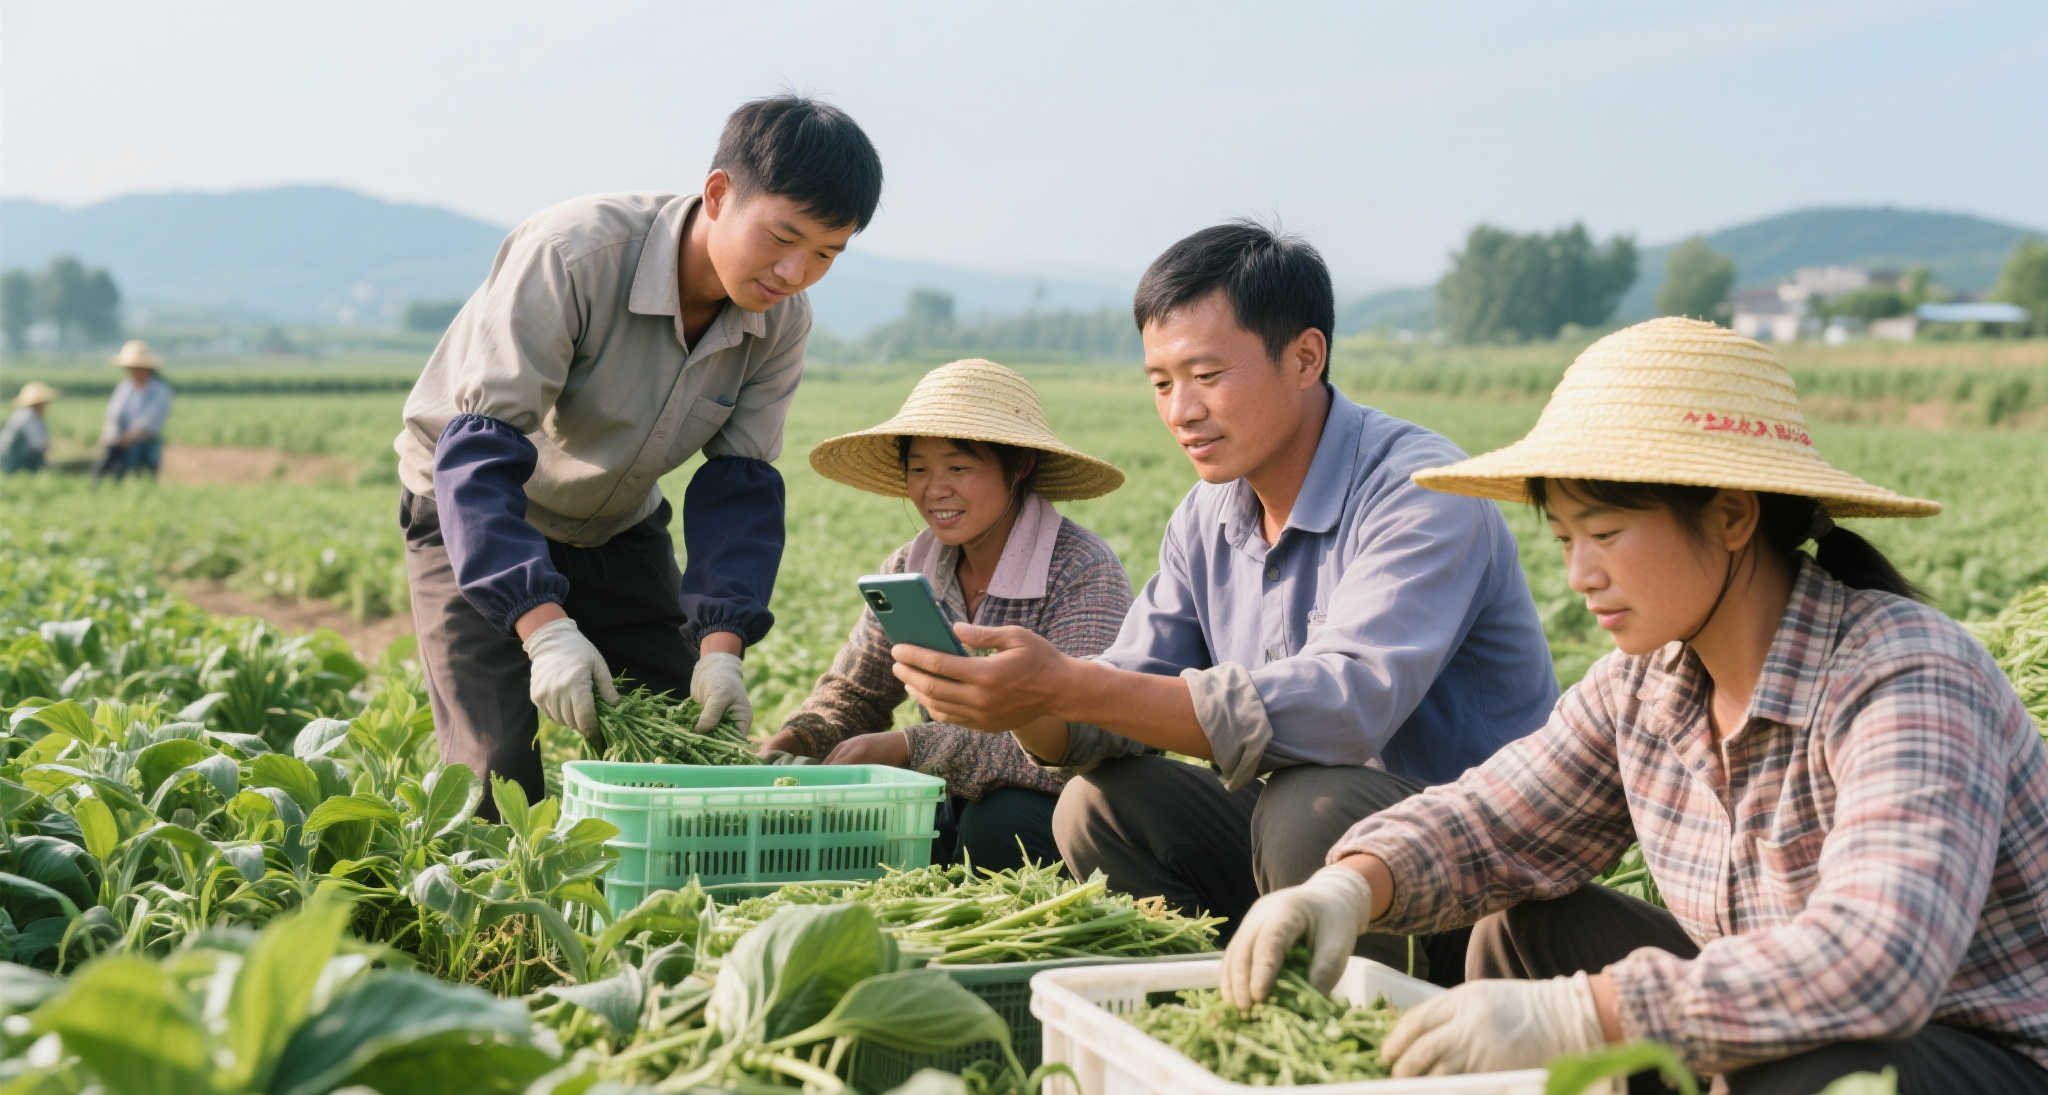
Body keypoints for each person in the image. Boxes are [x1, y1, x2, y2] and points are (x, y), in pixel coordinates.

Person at [1219, 317, 2048, 1095]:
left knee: (1798, 1086)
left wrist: (1589, 1014)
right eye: (1566, 538)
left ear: (1730, 516)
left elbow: (1877, 957)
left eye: (1607, 533)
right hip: (1809, 1028)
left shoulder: (1905, 676)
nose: (1581, 575)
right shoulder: (1648, 682)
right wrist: (1351, 885)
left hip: (1990, 1062)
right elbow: (1497, 818)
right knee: (1528, 935)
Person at [889, 223, 1558, 978]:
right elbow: (1120, 690)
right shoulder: (1207, 516)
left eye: (1206, 375)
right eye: (1162, 383)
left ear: (1305, 357)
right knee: (1097, 803)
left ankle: (1364, 1037)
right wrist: (1028, 704)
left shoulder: (1420, 490)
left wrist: (1068, 683)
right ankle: (1220, 1005)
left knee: (1311, 805)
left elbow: (1346, 706)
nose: (1181, 411)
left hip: (1471, 871)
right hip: (1305, 859)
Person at [393, 95, 883, 818]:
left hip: (617, 524)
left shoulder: (781, 320)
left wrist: (721, 650)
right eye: (783, 236)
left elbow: (739, 488)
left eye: (826, 254)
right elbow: (479, 458)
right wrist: (546, 629)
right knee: (495, 772)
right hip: (477, 513)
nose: (794, 270)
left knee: (689, 742)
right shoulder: (573, 256)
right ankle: (493, 920)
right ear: (719, 194)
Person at [762, 359, 1132, 871]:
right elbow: (856, 693)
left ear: (1018, 466)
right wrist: (794, 741)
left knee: (998, 820)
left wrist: (908, 746)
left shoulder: (1079, 570)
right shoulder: (912, 568)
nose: (935, 490)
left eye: (959, 468)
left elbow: (1077, 746)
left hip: (1076, 808)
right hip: (952, 796)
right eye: (919, 469)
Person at [94, 340, 171, 483]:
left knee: (143, 477)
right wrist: (111, 436)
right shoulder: (124, 388)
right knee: (113, 476)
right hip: (119, 442)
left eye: (135, 367)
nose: (132, 371)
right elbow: (114, 414)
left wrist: (128, 437)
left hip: (146, 443)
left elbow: (150, 419)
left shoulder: (160, 390)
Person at [2, 381, 55, 474]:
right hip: (13, 463)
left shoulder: (20, 413)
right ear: (39, 404)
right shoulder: (29, 418)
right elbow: (40, 444)